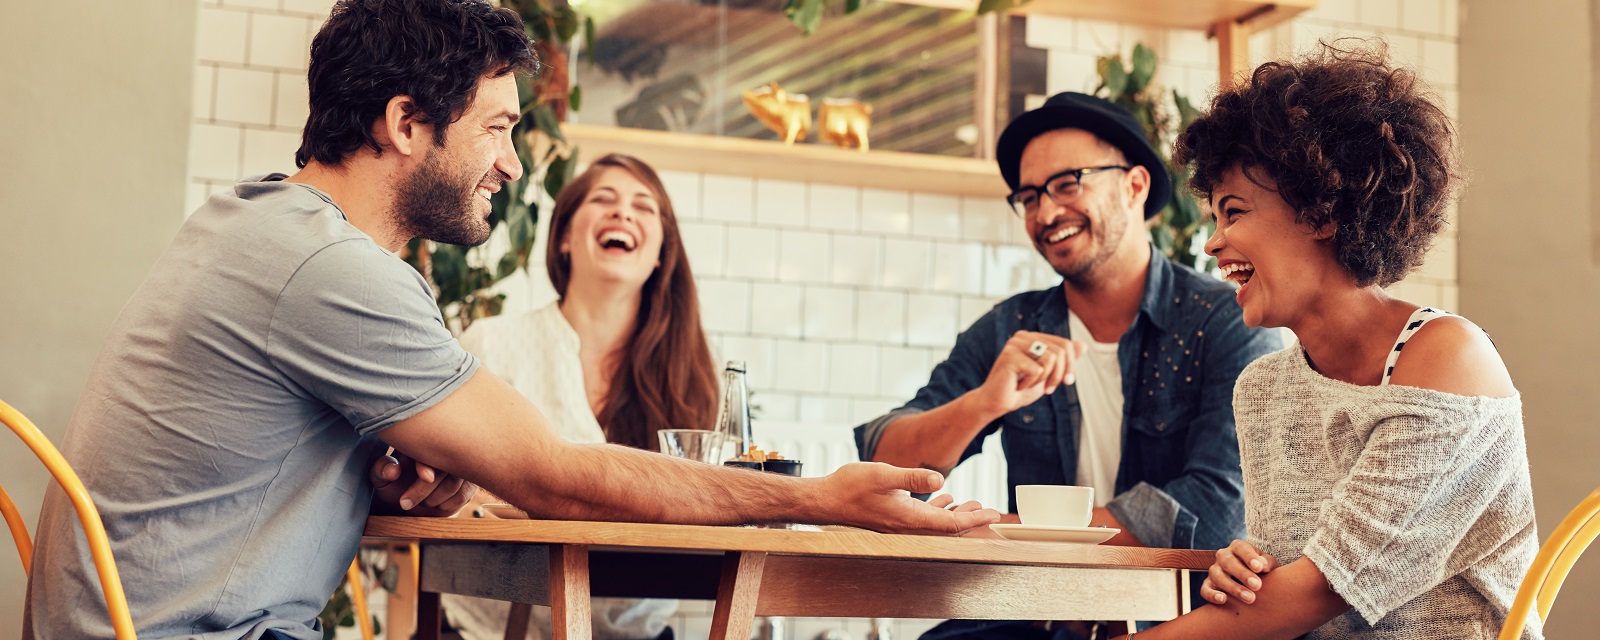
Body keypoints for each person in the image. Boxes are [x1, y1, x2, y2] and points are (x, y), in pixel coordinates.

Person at [22, 2, 997, 638]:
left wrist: (390, 477)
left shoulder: (257, 225)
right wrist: (820, 495)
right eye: (496, 127)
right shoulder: (329, 266)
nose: (515, 163)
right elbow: (555, 477)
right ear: (406, 124)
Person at [1116, 42, 1541, 639]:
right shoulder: (1263, 388)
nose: (1212, 243)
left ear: (1323, 212)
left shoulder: (1448, 358)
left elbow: (1312, 593)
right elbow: (1275, 595)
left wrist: (1265, 601)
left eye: (1233, 212)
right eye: (1212, 217)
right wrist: (1242, 574)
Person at [854, 91, 1282, 639]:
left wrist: (1007, 532)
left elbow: (1215, 505)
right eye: (1030, 196)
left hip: (1178, 620)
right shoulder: (1012, 329)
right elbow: (883, 464)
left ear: (1135, 187)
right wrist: (984, 403)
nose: (1046, 212)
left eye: (1067, 183)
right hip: (1035, 616)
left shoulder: (1225, 321)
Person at [440, 153, 716, 640]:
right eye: (604, 200)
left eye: (643, 207)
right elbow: (458, 493)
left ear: (660, 253)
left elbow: (705, 505)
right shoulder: (491, 344)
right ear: (565, 238)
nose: (623, 214)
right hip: (495, 632)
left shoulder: (688, 374)